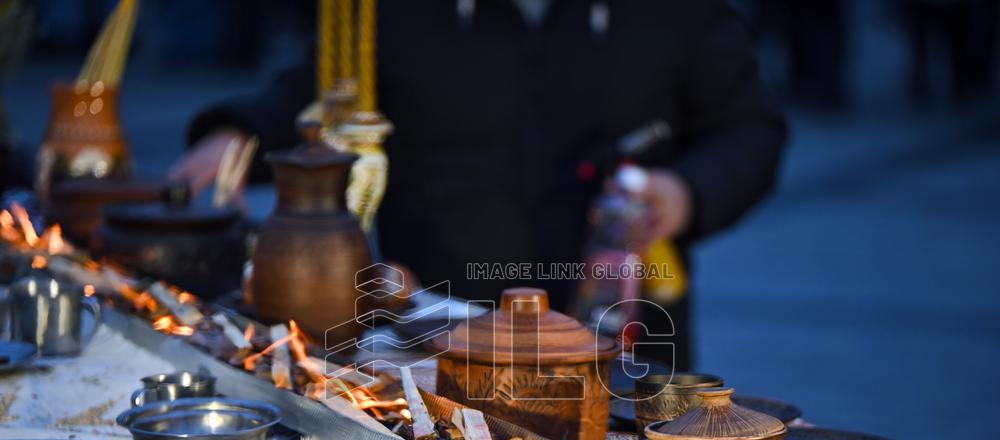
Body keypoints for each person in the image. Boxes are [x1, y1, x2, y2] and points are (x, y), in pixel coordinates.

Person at [172, 0, 787, 371]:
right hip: (437, 334)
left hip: (626, 337)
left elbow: (749, 128)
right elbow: (322, 88)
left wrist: (687, 192)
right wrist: (240, 129)